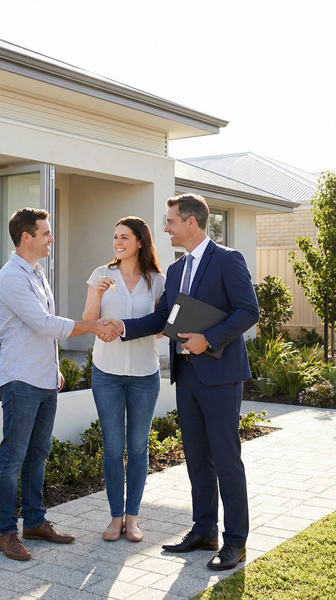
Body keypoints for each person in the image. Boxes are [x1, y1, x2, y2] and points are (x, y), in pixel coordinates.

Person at [104, 194, 259, 570]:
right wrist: (123, 327)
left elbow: (248, 310)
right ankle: (204, 529)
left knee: (226, 459)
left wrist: (210, 338)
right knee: (196, 458)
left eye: (170, 221)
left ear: (191, 222)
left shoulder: (227, 259)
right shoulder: (174, 271)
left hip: (220, 376)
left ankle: (235, 541)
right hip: (186, 375)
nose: (166, 228)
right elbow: (162, 318)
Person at [0, 207, 122, 561]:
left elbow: (41, 331)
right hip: (21, 380)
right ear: (26, 238)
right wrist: (93, 326)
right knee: (12, 458)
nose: (52, 238)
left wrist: (54, 369)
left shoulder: (36, 272)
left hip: (44, 378)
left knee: (38, 454)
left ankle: (34, 522)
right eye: (46, 233)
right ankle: (6, 533)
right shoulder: (11, 278)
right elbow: (44, 323)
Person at [83, 216, 165, 543]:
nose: (117, 242)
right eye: (115, 236)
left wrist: (127, 325)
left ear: (140, 241)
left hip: (145, 374)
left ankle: (133, 519)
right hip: (107, 374)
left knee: (139, 446)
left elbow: (160, 328)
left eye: (125, 237)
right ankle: (115, 517)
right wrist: (96, 296)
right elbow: (87, 321)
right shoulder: (101, 274)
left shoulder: (157, 281)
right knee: (114, 447)